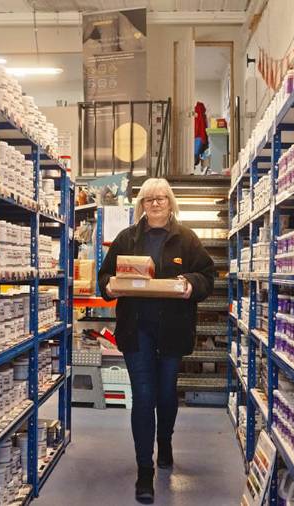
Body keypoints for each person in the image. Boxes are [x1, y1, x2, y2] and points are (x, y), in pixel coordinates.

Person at [97, 178, 215, 504]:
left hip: (173, 331)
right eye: (149, 199)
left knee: (165, 394)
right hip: (137, 332)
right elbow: (104, 277)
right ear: (142, 205)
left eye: (161, 198)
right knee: (144, 396)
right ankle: (144, 470)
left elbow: (208, 276)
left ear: (170, 202)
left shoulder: (187, 239)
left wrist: (191, 283)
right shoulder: (127, 238)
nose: (155, 203)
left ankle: (165, 441)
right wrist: (109, 287)